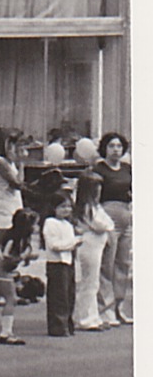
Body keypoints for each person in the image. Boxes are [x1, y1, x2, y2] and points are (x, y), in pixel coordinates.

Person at [94, 132, 131, 326]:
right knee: (107, 265)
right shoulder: (99, 169)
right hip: (108, 216)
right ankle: (105, 309)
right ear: (105, 148)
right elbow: (94, 197)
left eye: (119, 146)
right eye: (111, 146)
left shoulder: (127, 168)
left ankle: (119, 306)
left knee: (123, 264)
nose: (116, 150)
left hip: (126, 217)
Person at [0, 210, 34, 345]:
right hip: (1, 267)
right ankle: (6, 332)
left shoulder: (15, 237)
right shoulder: (14, 239)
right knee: (11, 298)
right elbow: (7, 256)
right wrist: (23, 257)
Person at [72, 175, 114, 332]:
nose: (99, 190)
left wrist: (108, 225)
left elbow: (108, 222)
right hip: (90, 246)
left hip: (97, 245)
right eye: (96, 187)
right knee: (89, 282)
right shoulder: (87, 207)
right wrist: (108, 225)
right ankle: (86, 319)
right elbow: (101, 224)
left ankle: (93, 316)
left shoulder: (95, 206)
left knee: (94, 282)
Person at [41, 190, 78, 339]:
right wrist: (74, 243)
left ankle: (67, 324)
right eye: (62, 207)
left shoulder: (67, 224)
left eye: (69, 206)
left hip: (68, 262)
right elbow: (54, 245)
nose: (66, 210)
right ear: (54, 208)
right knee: (58, 296)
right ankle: (57, 326)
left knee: (69, 294)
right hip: (56, 263)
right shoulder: (50, 223)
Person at [0, 128, 26, 234]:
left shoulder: (10, 163)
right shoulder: (0, 162)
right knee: (3, 239)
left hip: (14, 204)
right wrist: (21, 162)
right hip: (3, 207)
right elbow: (17, 183)